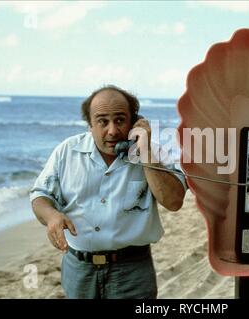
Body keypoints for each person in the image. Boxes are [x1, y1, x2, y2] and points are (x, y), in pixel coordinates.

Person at [30, 85, 187, 299]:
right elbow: (40, 195)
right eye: (102, 121)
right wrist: (52, 216)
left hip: (132, 270)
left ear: (135, 121)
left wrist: (146, 152)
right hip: (79, 269)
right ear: (90, 125)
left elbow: (174, 201)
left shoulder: (153, 152)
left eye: (120, 120)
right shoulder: (67, 151)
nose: (112, 130)